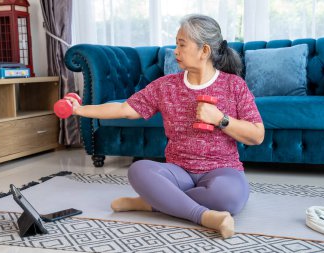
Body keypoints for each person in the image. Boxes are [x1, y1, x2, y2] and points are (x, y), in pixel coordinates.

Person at [65, 14, 265, 239]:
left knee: (230, 198)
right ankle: (206, 216)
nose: (175, 51)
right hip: (178, 171)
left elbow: (257, 135)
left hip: (222, 170)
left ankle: (155, 202)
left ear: (205, 50)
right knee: (138, 170)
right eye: (176, 43)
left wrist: (221, 119)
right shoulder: (166, 86)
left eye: (182, 45)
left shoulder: (234, 85)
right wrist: (80, 110)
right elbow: (124, 109)